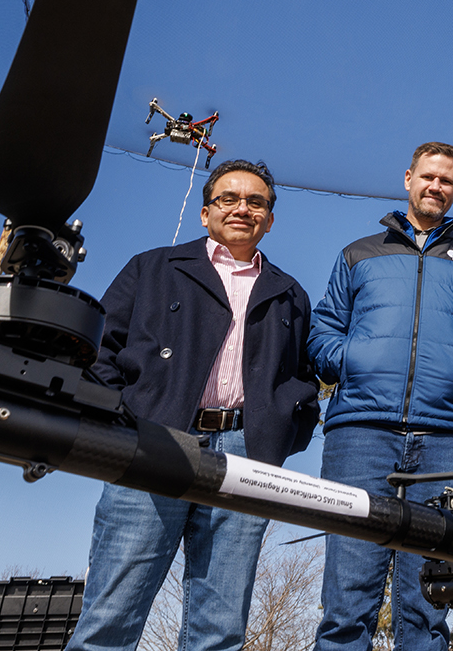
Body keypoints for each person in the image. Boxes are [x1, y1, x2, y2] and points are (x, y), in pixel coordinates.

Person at [69, 160, 320, 651]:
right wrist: (125, 420)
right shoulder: (153, 267)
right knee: (111, 613)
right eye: (229, 198)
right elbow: (99, 349)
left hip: (246, 455)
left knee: (220, 627)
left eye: (256, 202)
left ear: (270, 219)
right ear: (206, 213)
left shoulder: (290, 293)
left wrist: (283, 432)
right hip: (155, 442)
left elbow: (303, 376)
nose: (242, 209)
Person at [310, 142, 453, 651]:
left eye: (447, 180)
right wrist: (355, 362)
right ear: (408, 179)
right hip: (361, 433)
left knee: (429, 603)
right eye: (428, 176)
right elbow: (322, 332)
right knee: (347, 599)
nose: (436, 186)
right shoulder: (358, 254)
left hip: (447, 442)